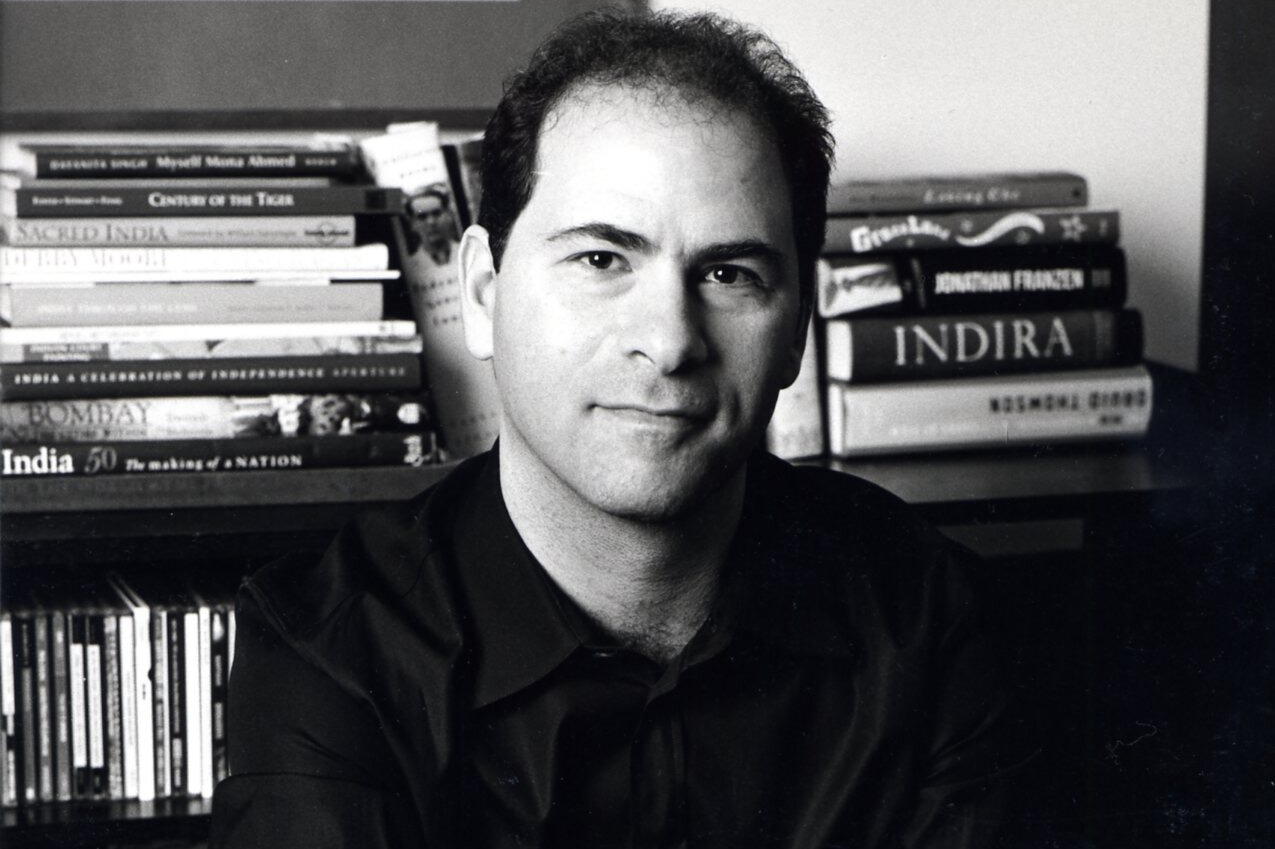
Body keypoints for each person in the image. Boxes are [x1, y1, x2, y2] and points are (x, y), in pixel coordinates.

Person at [211, 9, 1031, 848]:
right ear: (485, 294)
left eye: (728, 272)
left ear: (795, 332)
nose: (670, 340)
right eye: (602, 259)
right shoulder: (330, 653)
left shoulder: (930, 616)